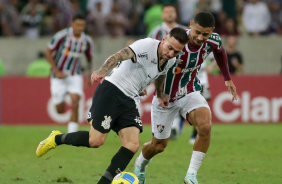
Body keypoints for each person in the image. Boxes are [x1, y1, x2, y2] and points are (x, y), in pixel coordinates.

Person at [35, 27, 189, 184]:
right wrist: (103, 70)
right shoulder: (146, 45)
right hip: (112, 90)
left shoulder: (171, 60)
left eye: (176, 52)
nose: (171, 53)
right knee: (96, 141)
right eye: (170, 48)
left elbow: (160, 75)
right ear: (164, 40)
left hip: (130, 100)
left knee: (132, 145)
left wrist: (159, 93)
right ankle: (56, 138)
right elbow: (119, 56)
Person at [134, 12, 237, 184]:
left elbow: (220, 52)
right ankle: (140, 166)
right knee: (158, 146)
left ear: (212, 31)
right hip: (164, 97)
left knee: (205, 126)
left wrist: (227, 78)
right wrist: (148, 87)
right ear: (190, 24)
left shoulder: (214, 40)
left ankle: (191, 176)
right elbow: (154, 62)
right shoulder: (176, 42)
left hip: (190, 91)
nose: (200, 37)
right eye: (197, 32)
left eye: (205, 34)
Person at [45, 14, 94, 133]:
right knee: (60, 110)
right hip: (59, 76)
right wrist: (56, 70)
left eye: (82, 25)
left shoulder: (87, 41)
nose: (80, 27)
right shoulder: (62, 36)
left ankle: (71, 135)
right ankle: (62, 95)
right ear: (72, 24)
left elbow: (89, 58)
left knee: (76, 100)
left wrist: (88, 76)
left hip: (75, 74)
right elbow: (48, 51)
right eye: (78, 25)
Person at [147, 3, 188, 140]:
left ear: (175, 14)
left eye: (172, 11)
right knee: (163, 96)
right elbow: (149, 48)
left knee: (177, 96)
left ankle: (174, 126)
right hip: (161, 69)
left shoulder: (184, 31)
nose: (170, 14)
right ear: (162, 15)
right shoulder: (156, 32)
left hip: (180, 70)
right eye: (167, 12)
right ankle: (165, 127)